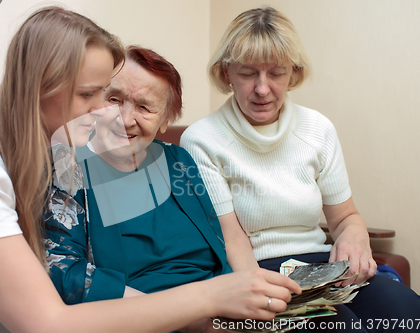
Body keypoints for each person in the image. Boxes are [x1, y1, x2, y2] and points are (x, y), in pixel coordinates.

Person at [0, 6, 301, 333]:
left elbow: (224, 241)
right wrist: (210, 300)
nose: (109, 113)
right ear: (40, 84)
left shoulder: (54, 147)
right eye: (94, 95)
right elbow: (48, 318)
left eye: (103, 94)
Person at [180, 6, 420, 332]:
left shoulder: (317, 129)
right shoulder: (202, 139)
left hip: (323, 265)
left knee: (408, 313)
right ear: (226, 73)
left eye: (276, 73)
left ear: (293, 73)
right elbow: (232, 239)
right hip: (258, 270)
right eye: (248, 73)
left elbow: (345, 217)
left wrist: (355, 240)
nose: (263, 89)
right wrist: (261, 297)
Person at [44, 45, 302, 333]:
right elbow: (64, 272)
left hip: (229, 311)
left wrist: (260, 295)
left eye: (144, 107)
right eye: (114, 100)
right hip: (151, 320)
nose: (126, 119)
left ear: (165, 119)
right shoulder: (69, 169)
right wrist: (191, 318)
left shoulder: (179, 160)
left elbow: (226, 238)